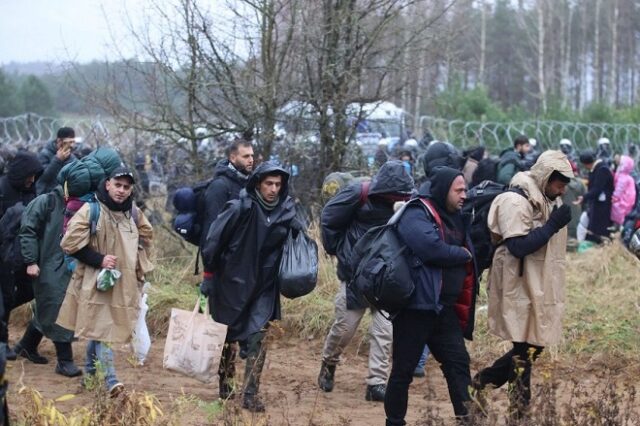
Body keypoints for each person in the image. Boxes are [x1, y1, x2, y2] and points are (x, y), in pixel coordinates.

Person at [473, 150, 573, 420]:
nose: (562, 189)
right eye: (559, 183)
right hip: (516, 283)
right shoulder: (514, 200)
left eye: (565, 184)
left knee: (533, 345)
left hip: (536, 283)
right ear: (545, 177)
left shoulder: (545, 197)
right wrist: (552, 224)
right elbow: (517, 246)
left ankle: (481, 385)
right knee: (525, 348)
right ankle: (517, 411)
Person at [200, 162, 298, 412]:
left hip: (264, 286)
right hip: (231, 282)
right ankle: (226, 385)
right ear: (257, 183)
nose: (274, 189)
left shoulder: (287, 212)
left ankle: (251, 393)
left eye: (278, 184)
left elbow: (297, 245)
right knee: (227, 337)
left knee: (258, 338)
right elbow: (213, 241)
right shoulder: (239, 207)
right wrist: (209, 275)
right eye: (269, 183)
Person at [385, 167, 478, 425]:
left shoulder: (457, 217)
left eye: (465, 189)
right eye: (458, 190)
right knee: (403, 372)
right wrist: (463, 255)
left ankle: (467, 420)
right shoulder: (416, 212)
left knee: (458, 364)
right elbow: (430, 249)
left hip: (442, 309)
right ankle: (394, 422)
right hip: (415, 309)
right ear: (443, 189)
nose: (464, 195)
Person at [318, 160, 414, 402]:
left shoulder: (408, 201)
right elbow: (329, 218)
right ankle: (329, 362)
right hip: (355, 276)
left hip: (386, 278)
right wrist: (339, 252)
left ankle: (376, 383)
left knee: (385, 331)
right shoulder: (358, 192)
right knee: (344, 328)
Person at [57, 167, 154, 396]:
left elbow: (147, 239)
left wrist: (138, 266)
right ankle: (111, 380)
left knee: (99, 328)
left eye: (126, 187)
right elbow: (69, 244)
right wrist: (99, 259)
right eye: (117, 185)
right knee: (104, 328)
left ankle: (90, 375)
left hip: (124, 282)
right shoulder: (91, 210)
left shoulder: (134, 213)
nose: (121, 191)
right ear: (108, 184)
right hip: (96, 281)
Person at [199, 138, 253, 401]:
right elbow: (211, 234)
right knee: (225, 330)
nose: (251, 160)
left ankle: (246, 386)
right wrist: (209, 274)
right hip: (222, 271)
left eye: (252, 156)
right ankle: (226, 383)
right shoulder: (219, 188)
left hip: (245, 270)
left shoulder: (249, 185)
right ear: (233, 158)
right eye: (245, 156)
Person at [17, 185, 82, 377]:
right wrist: (30, 260)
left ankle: (26, 345)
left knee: (49, 305)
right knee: (58, 305)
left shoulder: (83, 204)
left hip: (65, 263)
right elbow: (27, 230)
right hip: (46, 263)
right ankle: (65, 360)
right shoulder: (48, 202)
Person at [0, 151, 43, 361]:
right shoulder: (2, 188)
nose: (32, 180)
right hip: (3, 253)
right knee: (5, 297)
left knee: (28, 291)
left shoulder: (30, 190)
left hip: (22, 254)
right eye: (30, 175)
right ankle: (3, 343)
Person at [578, 150, 614, 244]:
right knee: (594, 227)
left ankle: (603, 244)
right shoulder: (598, 168)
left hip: (602, 205)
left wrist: (584, 197)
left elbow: (597, 189)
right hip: (598, 203)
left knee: (599, 228)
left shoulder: (602, 169)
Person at [36, 127, 77, 195]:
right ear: (59, 141)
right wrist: (58, 160)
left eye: (72, 142)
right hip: (47, 195)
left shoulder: (72, 157)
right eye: (67, 142)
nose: (71, 145)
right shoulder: (44, 154)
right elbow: (42, 178)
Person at [610, 155, 636, 228]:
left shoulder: (623, 177)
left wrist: (614, 198)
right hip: (628, 202)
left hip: (622, 201)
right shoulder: (627, 177)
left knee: (617, 212)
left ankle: (617, 227)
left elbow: (619, 189)